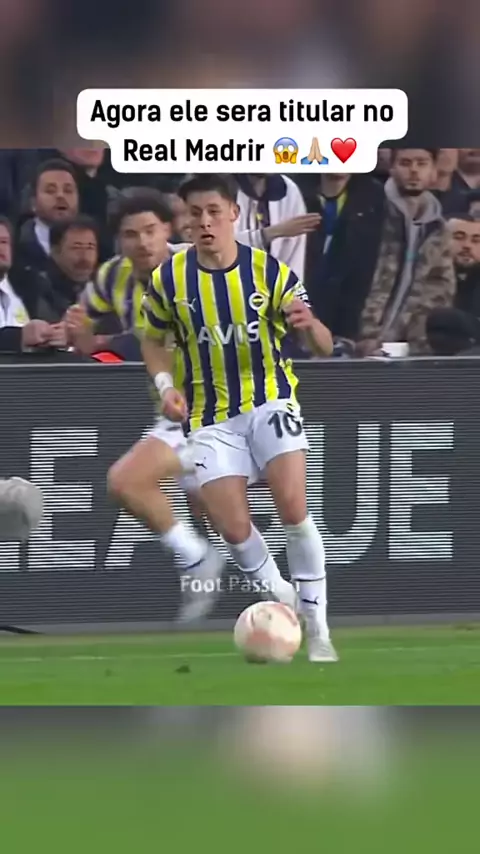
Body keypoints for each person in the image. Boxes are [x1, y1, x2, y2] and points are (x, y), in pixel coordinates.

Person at [140, 173, 337, 663]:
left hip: (270, 400)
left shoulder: (269, 273)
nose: (205, 222)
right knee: (231, 527)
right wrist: (165, 386)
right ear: (185, 222)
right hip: (209, 417)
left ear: (233, 213)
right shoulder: (169, 279)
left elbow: (324, 346)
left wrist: (310, 326)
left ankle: (319, 628)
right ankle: (285, 598)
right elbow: (152, 339)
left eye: (214, 211)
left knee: (292, 507)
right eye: (195, 214)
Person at [71, 189, 226, 624]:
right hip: (174, 411)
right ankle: (281, 599)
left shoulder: (198, 270)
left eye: (150, 231)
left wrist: (111, 342)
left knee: (126, 480)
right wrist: (76, 332)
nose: (142, 242)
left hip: (215, 408)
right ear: (119, 241)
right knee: (221, 519)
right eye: (130, 234)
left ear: (169, 231)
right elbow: (82, 326)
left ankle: (198, 560)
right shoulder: (111, 277)